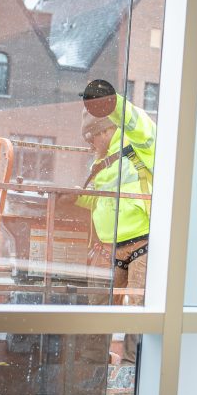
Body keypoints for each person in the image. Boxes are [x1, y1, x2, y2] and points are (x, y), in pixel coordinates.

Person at [76, 79, 156, 363]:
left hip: (143, 242)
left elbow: (139, 124)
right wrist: (70, 200)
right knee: (99, 308)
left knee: (139, 311)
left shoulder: (139, 147)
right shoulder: (99, 163)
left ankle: (135, 376)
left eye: (92, 137)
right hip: (109, 246)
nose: (90, 144)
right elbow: (95, 201)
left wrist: (112, 103)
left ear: (107, 129)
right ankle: (93, 371)